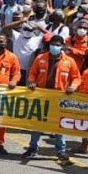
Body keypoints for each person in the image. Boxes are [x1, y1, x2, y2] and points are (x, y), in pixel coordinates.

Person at [22, 35, 80, 163]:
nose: (55, 47)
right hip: (42, 97)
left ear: (63, 46)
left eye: (58, 45)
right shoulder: (40, 58)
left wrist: (73, 86)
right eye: (53, 44)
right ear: (49, 45)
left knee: (59, 125)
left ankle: (61, 151)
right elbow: (32, 73)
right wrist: (31, 81)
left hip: (59, 98)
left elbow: (76, 77)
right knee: (37, 124)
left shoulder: (69, 61)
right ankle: (32, 148)